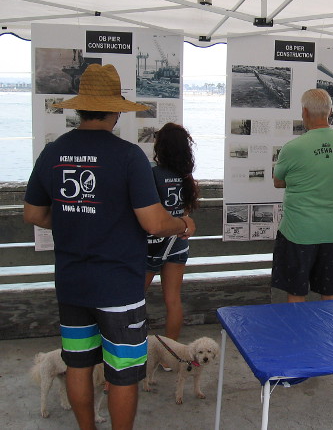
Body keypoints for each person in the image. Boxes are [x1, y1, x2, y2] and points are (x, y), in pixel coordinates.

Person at [23, 64, 196, 430]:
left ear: (80, 108)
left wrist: (77, 217)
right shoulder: (128, 156)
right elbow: (152, 221)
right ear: (116, 111)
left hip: (72, 284)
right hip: (119, 286)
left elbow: (35, 213)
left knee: (79, 364)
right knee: (122, 372)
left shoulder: (54, 152)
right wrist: (182, 223)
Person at [271, 88, 333, 303]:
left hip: (299, 232)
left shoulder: (293, 148)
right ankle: (328, 336)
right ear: (329, 112)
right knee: (330, 292)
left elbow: (278, 181)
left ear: (305, 112)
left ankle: (298, 336)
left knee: (297, 293)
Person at [145, 123, 200, 343]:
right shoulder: (186, 178)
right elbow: (184, 212)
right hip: (178, 244)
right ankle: (171, 354)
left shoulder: (151, 174)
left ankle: (131, 351)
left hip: (152, 244)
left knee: (135, 301)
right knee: (173, 300)